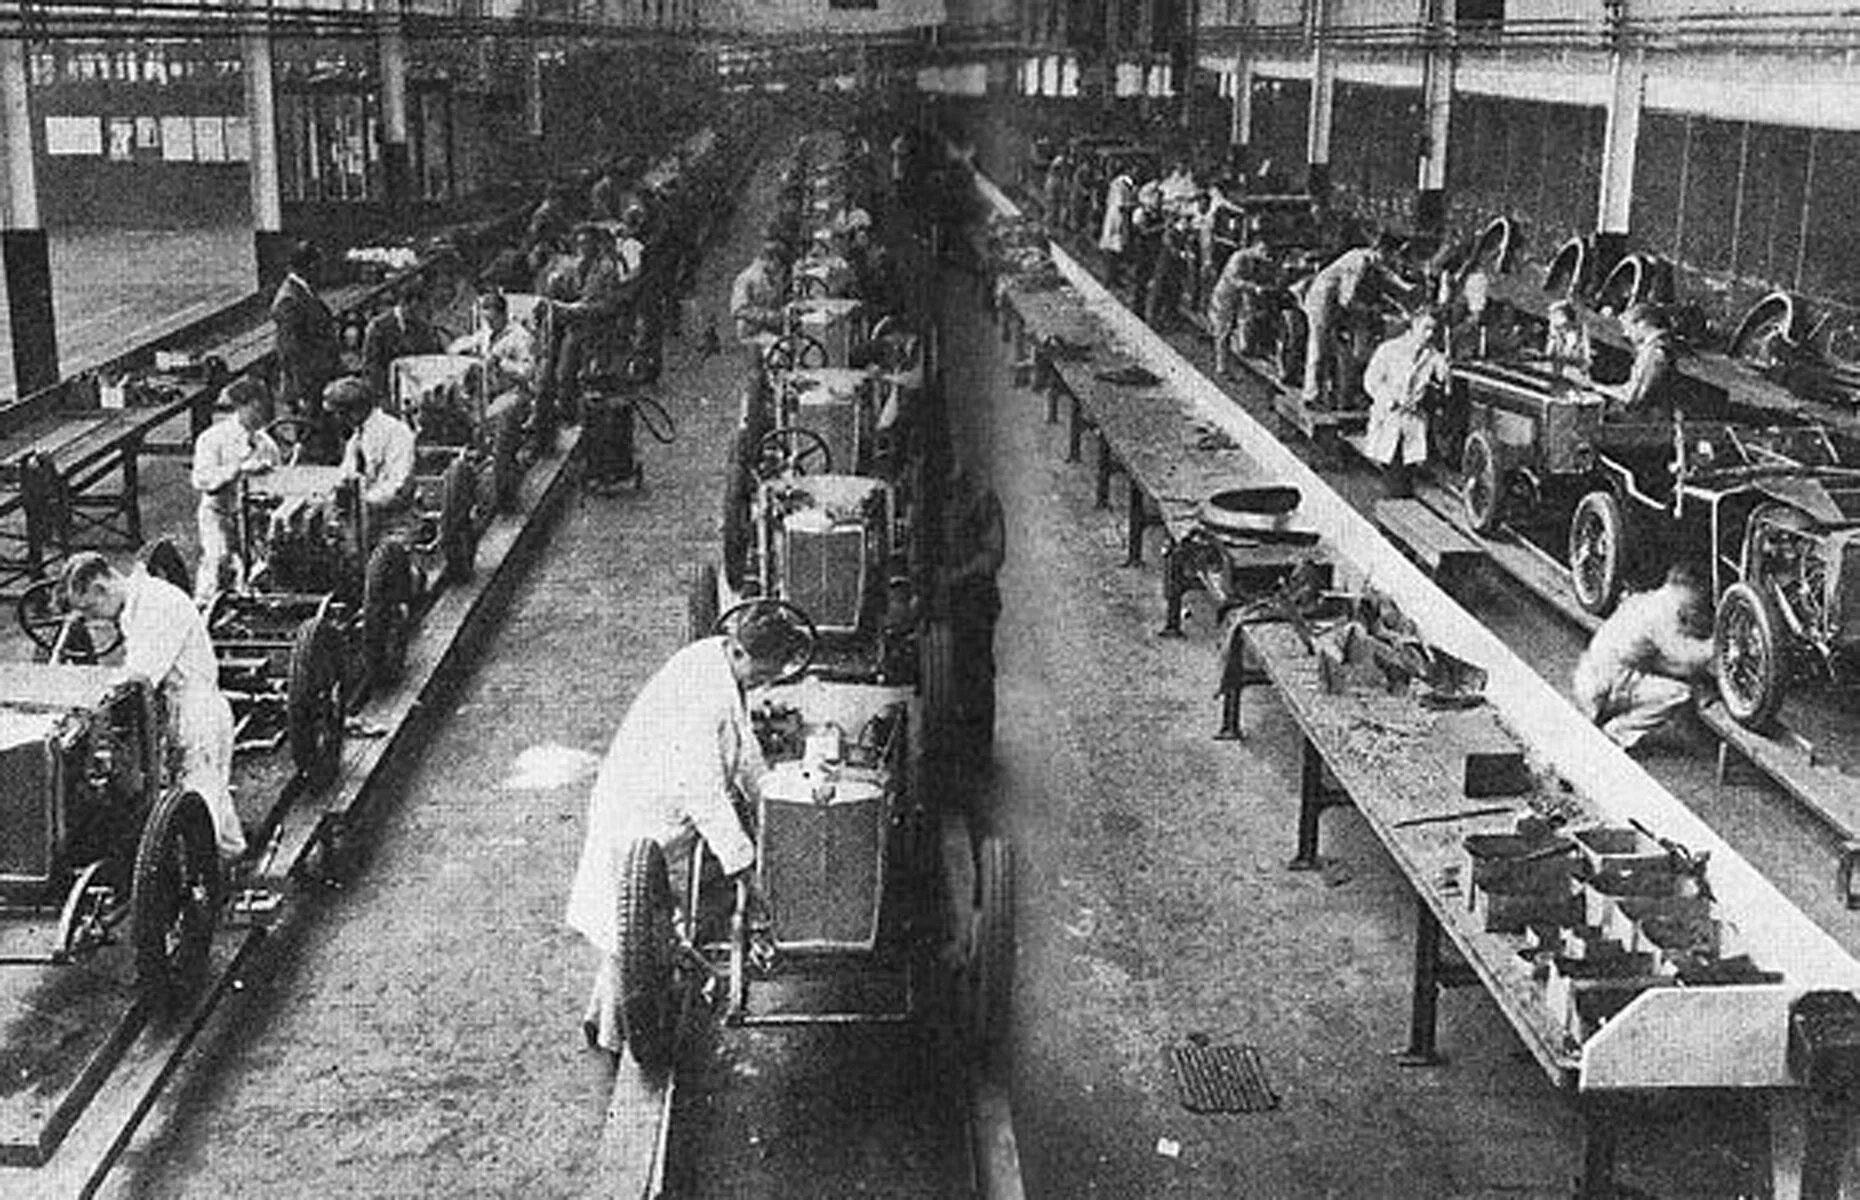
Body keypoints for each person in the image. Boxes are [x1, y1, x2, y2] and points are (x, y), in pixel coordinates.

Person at [565, 617, 790, 1055]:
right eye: (761, 673)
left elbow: (743, 746)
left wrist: (773, 798)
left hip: (657, 804)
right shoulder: (705, 692)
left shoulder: (719, 661)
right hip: (639, 813)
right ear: (739, 651)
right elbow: (702, 791)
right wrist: (745, 866)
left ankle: (601, 1020)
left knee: (631, 930)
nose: (762, 684)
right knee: (630, 933)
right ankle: (615, 1043)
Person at [61, 552, 246, 861]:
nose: (93, 620)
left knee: (198, 803)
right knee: (208, 792)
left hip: (195, 714)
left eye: (90, 609)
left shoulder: (158, 606)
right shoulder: (138, 604)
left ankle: (203, 877)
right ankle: (232, 854)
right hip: (179, 708)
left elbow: (139, 679)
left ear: (101, 588)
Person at [1571, 564, 1715, 750]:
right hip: (1605, 687)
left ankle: (1605, 714)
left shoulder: (1644, 599)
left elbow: (1663, 659)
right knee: (1680, 693)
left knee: (1664, 672)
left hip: (1589, 676)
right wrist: (1715, 645)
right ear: (1690, 592)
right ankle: (1619, 731)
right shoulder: (1665, 612)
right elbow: (1684, 657)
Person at [934, 462, 1006, 761]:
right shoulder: (927, 493)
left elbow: (993, 555)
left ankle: (977, 750)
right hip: (938, 600)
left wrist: (957, 576)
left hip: (972, 600)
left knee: (974, 673)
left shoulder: (980, 496)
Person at [536, 223, 628, 448]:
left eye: (587, 243)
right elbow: (564, 289)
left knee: (589, 380)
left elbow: (605, 304)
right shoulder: (574, 267)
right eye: (579, 244)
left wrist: (571, 308)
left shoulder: (606, 269)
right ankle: (566, 420)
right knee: (561, 373)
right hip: (575, 327)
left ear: (596, 245)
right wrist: (554, 286)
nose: (582, 248)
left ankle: (590, 431)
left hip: (599, 330)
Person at [189, 377, 280, 603]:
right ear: (240, 406)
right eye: (255, 409)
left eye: (263, 410)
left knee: (264, 565)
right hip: (219, 513)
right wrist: (237, 470)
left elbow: (280, 483)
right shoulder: (213, 438)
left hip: (253, 517)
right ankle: (205, 606)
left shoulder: (267, 444)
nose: (260, 416)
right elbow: (202, 480)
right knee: (219, 561)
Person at [1300, 235, 1403, 411]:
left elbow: (1390, 282)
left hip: (1335, 303)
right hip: (1321, 300)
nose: (1392, 260)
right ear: (1381, 250)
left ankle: (1347, 392)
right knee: (1319, 346)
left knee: (1351, 347)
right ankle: (1311, 395)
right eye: (1391, 255)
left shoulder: (1374, 262)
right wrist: (1372, 310)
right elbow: (1346, 300)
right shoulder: (1359, 262)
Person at [1361, 307, 1450, 497]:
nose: (1429, 334)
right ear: (1413, 326)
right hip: (1389, 415)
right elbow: (1371, 381)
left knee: (1408, 463)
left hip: (1412, 418)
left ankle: (1401, 487)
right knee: (1393, 468)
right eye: (1426, 328)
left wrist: (1446, 366)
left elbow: (1442, 378)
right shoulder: (1389, 349)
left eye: (1433, 330)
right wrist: (1389, 400)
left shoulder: (1431, 355)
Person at [269, 240, 344, 464]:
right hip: (308, 384)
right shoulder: (290, 300)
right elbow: (290, 352)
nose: (322, 271)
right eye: (318, 266)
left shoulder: (303, 291)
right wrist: (302, 392)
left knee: (324, 438)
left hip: (318, 380)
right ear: (309, 266)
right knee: (311, 441)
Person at [329, 376, 416, 539]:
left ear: (355, 411)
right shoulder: (356, 439)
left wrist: (363, 502)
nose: (338, 419)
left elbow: (398, 485)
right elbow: (345, 476)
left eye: (340, 413)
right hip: (361, 520)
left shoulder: (396, 433)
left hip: (394, 522)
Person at [360, 278, 446, 409]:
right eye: (420, 307)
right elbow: (371, 367)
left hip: (419, 397)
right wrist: (382, 399)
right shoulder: (378, 327)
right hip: (389, 397)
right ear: (406, 303)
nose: (423, 313)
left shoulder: (424, 328)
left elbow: (434, 358)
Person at [1208, 230, 1276, 378]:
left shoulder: (1254, 260)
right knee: (1223, 332)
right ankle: (1221, 368)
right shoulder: (1238, 258)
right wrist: (1254, 287)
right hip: (1225, 296)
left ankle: (1232, 360)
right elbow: (1233, 279)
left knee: (1237, 328)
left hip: (1239, 298)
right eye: (1262, 250)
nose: (1264, 254)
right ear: (1254, 247)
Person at [448, 290, 537, 400]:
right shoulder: (488, 332)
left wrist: (502, 363)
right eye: (487, 320)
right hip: (485, 389)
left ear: (503, 314)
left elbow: (528, 371)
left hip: (511, 392)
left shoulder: (520, 336)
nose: (490, 324)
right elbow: (468, 341)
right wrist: (455, 348)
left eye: (493, 320)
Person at [1600, 302, 1677, 418]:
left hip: (1652, 421)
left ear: (1642, 323)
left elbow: (1632, 398)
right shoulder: (1663, 344)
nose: (1626, 334)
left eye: (1627, 327)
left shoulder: (1654, 351)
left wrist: (1593, 386)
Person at [730, 238, 788, 346]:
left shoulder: (773, 277)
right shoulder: (747, 278)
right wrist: (766, 316)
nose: (780, 270)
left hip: (769, 331)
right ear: (768, 260)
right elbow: (738, 310)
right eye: (778, 265)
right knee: (784, 347)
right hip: (751, 335)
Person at [1097, 163, 1137, 290]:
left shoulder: (1126, 184)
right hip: (1115, 218)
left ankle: (1114, 276)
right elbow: (1121, 205)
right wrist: (1135, 204)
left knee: (1118, 248)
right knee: (1112, 248)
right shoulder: (1118, 184)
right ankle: (1108, 279)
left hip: (1119, 218)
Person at [1540, 298, 1593, 380]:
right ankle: (1557, 372)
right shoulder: (1560, 308)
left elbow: (1583, 335)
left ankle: (1558, 372)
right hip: (1560, 331)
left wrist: (1585, 353)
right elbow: (1551, 312)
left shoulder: (1580, 321)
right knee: (1555, 352)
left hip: (1569, 335)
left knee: (1563, 351)